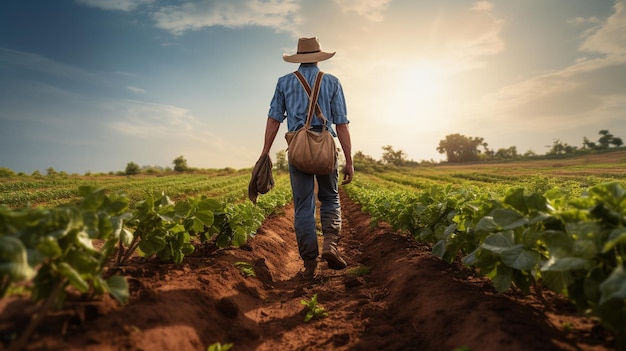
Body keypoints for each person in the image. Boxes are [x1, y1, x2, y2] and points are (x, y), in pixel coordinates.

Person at [260, 37, 354, 280]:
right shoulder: (332, 82)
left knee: (303, 205)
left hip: (298, 150)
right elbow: (341, 124)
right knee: (331, 198)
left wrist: (265, 152)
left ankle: (309, 264)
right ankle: (331, 246)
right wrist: (349, 160)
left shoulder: (284, 82)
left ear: (299, 58)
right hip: (325, 148)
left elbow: (273, 119)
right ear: (318, 57)